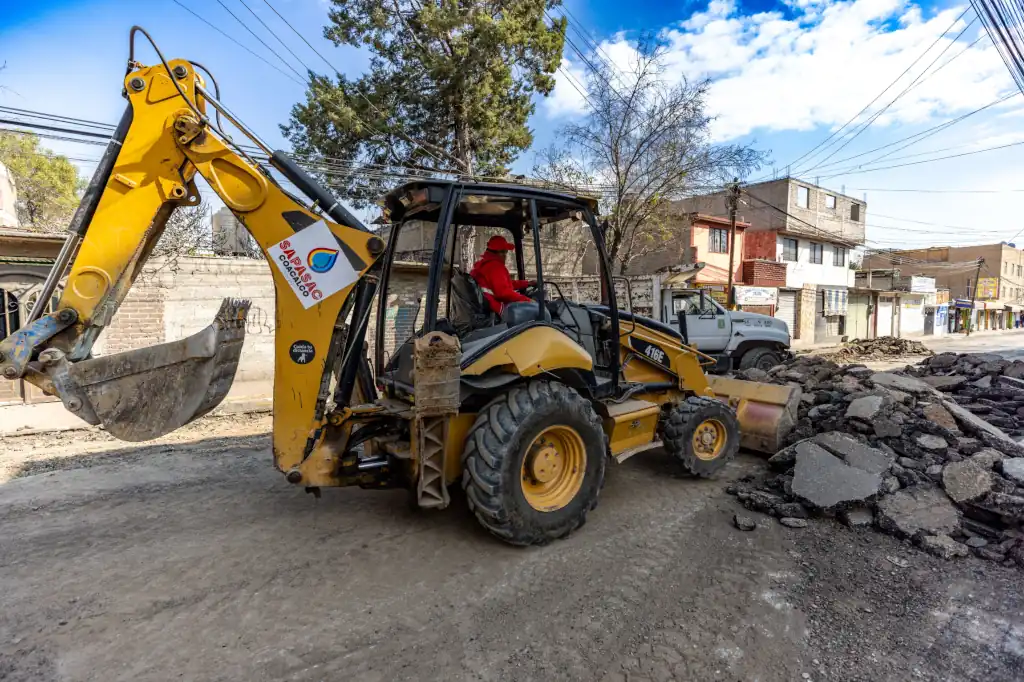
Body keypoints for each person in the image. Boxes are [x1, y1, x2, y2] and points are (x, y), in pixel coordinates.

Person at [470, 235, 534, 315]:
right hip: (496, 309)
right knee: (534, 312)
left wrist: (526, 283)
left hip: (487, 306)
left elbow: (504, 284)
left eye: (506, 252)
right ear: (496, 252)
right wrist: (528, 300)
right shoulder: (495, 267)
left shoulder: (484, 264)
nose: (505, 255)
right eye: (503, 252)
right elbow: (503, 293)